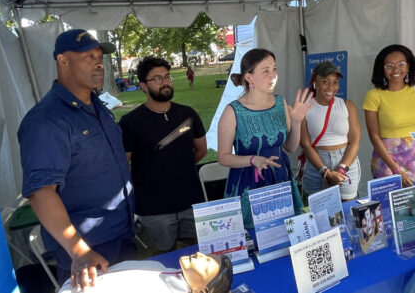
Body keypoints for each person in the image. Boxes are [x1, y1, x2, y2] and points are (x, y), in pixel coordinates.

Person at [18, 29, 135, 290]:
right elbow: (40, 193)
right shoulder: (47, 121)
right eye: (88, 56)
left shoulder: (97, 106)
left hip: (121, 230)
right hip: (89, 246)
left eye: (99, 57)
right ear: (63, 61)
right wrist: (78, 250)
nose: (98, 63)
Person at [118, 57, 207, 252]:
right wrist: (150, 175)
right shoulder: (130, 122)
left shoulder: (187, 115)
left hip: (191, 198)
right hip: (154, 206)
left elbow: (201, 150)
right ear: (143, 85)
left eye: (167, 77)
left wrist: (179, 167)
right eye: (157, 79)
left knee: (200, 250)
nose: (165, 82)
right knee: (167, 255)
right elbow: (123, 164)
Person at [217, 48, 311, 228]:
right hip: (249, 183)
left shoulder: (279, 103)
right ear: (249, 77)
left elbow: (290, 148)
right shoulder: (233, 111)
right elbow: (223, 157)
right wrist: (253, 160)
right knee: (254, 238)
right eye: (266, 71)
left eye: (274, 69)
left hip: (280, 178)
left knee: (285, 232)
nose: (273, 75)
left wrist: (297, 122)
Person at [363, 44, 415, 187]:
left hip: (414, 159)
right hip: (386, 162)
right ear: (382, 69)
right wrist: (396, 170)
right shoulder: (374, 95)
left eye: (401, 64)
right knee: (388, 206)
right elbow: (374, 136)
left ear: (408, 66)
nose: (395, 69)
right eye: (389, 66)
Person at [300, 61, 361, 201]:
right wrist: (325, 171)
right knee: (317, 211)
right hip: (316, 163)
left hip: (346, 162)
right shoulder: (304, 107)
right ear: (315, 82)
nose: (331, 87)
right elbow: (305, 144)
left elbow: (355, 141)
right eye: (325, 81)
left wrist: (341, 169)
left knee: (347, 208)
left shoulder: (347, 105)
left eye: (335, 82)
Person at [58, 252, 233, 293]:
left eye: (207, 262)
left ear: (202, 290)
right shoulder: (156, 265)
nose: (200, 254)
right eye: (207, 255)